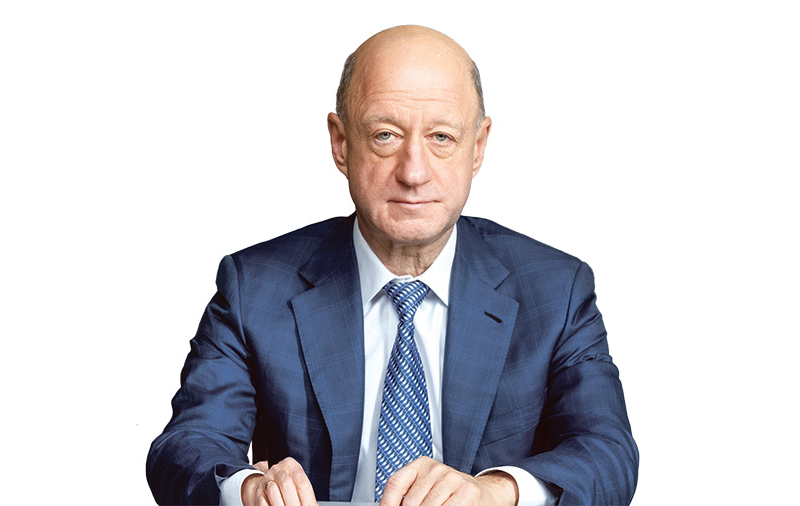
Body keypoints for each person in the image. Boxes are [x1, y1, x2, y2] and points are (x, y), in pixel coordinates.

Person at [147, 25, 638, 506]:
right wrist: (247, 490)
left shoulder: (556, 291)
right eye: (385, 135)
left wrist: (496, 492)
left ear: (478, 147)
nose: (414, 172)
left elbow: (607, 454)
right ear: (341, 143)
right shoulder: (254, 288)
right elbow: (186, 447)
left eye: (442, 137)